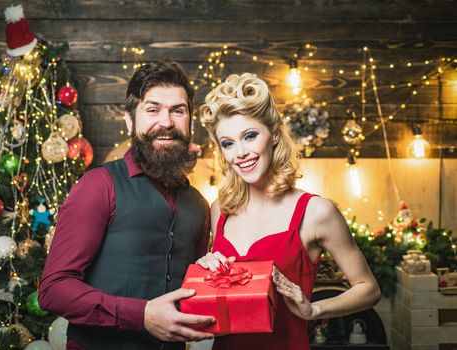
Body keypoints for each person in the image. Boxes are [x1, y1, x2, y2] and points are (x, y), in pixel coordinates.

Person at [39, 61, 216, 350]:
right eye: (153, 109)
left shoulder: (199, 204)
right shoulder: (99, 185)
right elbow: (53, 290)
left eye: (178, 110)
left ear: (189, 121)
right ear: (130, 121)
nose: (167, 122)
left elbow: (193, 293)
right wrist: (141, 315)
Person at [196, 73, 381, 349]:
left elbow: (369, 289)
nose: (241, 152)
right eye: (228, 143)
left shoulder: (316, 212)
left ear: (273, 135)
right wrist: (206, 275)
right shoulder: (219, 210)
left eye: (250, 136)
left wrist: (314, 310)